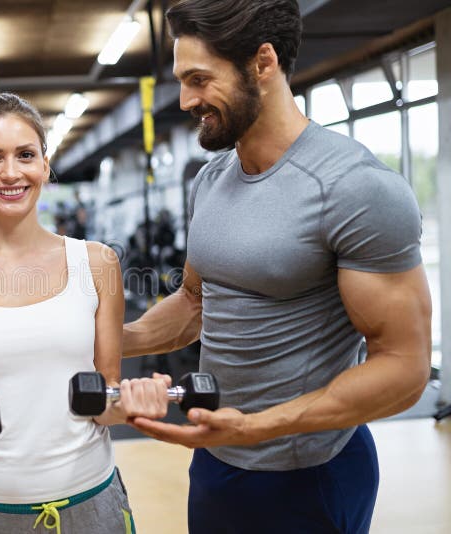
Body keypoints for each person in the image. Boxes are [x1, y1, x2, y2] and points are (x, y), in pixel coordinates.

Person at [121, 1, 432, 532]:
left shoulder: (354, 187)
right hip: (218, 456)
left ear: (262, 63)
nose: (186, 99)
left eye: (199, 79)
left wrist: (259, 427)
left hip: (308, 472)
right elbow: (195, 303)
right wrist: (94, 339)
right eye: (182, 80)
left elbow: (405, 367)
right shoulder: (213, 178)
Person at [0, 93, 168, 533]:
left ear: (44, 164)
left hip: (92, 503)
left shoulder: (97, 264)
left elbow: (104, 402)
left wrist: (136, 403)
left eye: (25, 155)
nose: (10, 172)